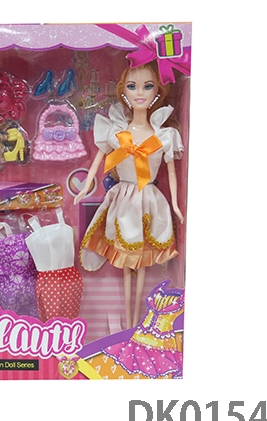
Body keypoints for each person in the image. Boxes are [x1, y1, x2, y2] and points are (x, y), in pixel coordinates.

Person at [73, 60, 184, 329]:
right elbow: (97, 161)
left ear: (157, 91)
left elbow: (171, 172)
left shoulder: (164, 135)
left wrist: (176, 206)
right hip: (123, 199)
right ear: (123, 91)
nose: (140, 93)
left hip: (149, 198)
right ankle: (127, 326)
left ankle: (137, 324)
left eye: (147, 86)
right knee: (125, 261)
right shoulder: (116, 132)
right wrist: (85, 187)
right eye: (133, 86)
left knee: (142, 261)